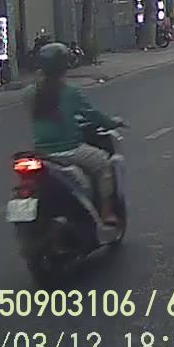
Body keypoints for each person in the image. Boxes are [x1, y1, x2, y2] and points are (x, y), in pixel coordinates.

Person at [30, 43, 122, 225]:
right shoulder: (70, 92)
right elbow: (93, 115)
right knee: (104, 164)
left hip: (41, 152)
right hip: (69, 149)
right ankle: (106, 213)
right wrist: (112, 122)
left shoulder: (31, 93)